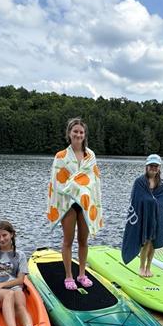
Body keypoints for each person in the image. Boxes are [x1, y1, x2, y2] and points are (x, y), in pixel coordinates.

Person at [46, 117, 103, 290]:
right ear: (69, 134)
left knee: (83, 241)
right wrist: (76, 187)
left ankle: (82, 274)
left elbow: (94, 180)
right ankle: (69, 276)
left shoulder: (90, 155)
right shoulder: (61, 156)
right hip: (68, 203)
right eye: (75, 131)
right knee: (68, 241)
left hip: (85, 203)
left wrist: (81, 188)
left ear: (84, 135)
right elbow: (57, 182)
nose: (78, 134)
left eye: (81, 132)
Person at [121, 154, 163, 277]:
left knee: (153, 243)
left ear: (159, 167)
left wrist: (153, 202)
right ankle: (141, 267)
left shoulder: (162, 184)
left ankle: (149, 267)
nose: (153, 168)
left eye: (156, 166)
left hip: (157, 217)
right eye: (151, 165)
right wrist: (152, 201)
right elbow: (137, 199)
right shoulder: (140, 182)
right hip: (144, 215)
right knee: (146, 242)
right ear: (146, 166)